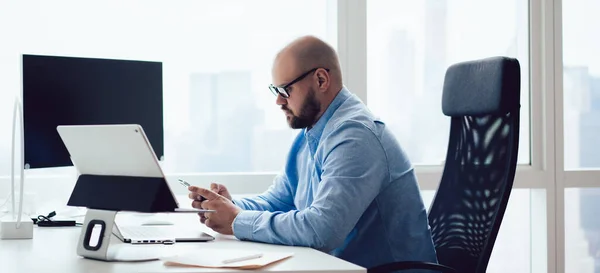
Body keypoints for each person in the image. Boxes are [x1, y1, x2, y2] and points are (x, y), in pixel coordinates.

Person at [188, 35, 437, 269]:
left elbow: (322, 230)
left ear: (320, 80)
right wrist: (227, 206)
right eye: (275, 91)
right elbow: (279, 201)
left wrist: (236, 220)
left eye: (285, 90)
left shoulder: (356, 137)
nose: (278, 101)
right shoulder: (311, 135)